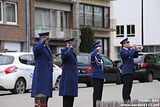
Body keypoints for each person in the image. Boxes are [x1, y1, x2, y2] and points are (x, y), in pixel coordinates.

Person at [31, 32, 53, 107]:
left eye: (47, 39)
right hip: (40, 77)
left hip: (46, 77)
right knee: (40, 99)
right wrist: (42, 41)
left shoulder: (46, 47)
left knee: (45, 99)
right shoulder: (37, 46)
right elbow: (37, 49)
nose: (47, 41)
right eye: (46, 39)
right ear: (41, 38)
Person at [59, 38, 78, 107]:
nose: (72, 45)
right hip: (67, 78)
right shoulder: (64, 51)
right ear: (67, 44)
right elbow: (67, 56)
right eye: (70, 43)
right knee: (67, 97)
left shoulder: (72, 53)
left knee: (71, 97)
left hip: (72, 78)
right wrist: (70, 48)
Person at [120, 38, 139, 103]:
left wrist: (136, 50)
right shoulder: (122, 51)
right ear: (124, 44)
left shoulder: (129, 50)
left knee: (129, 87)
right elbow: (130, 54)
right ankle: (126, 100)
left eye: (128, 43)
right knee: (126, 87)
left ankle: (128, 99)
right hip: (126, 72)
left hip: (130, 71)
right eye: (127, 43)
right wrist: (133, 48)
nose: (128, 44)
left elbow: (135, 56)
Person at [90, 41, 105, 107]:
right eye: (99, 47)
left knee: (100, 93)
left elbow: (102, 67)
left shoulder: (99, 56)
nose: (100, 49)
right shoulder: (93, 55)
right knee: (96, 93)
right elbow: (93, 55)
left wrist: (103, 77)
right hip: (96, 77)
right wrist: (96, 49)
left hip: (100, 77)